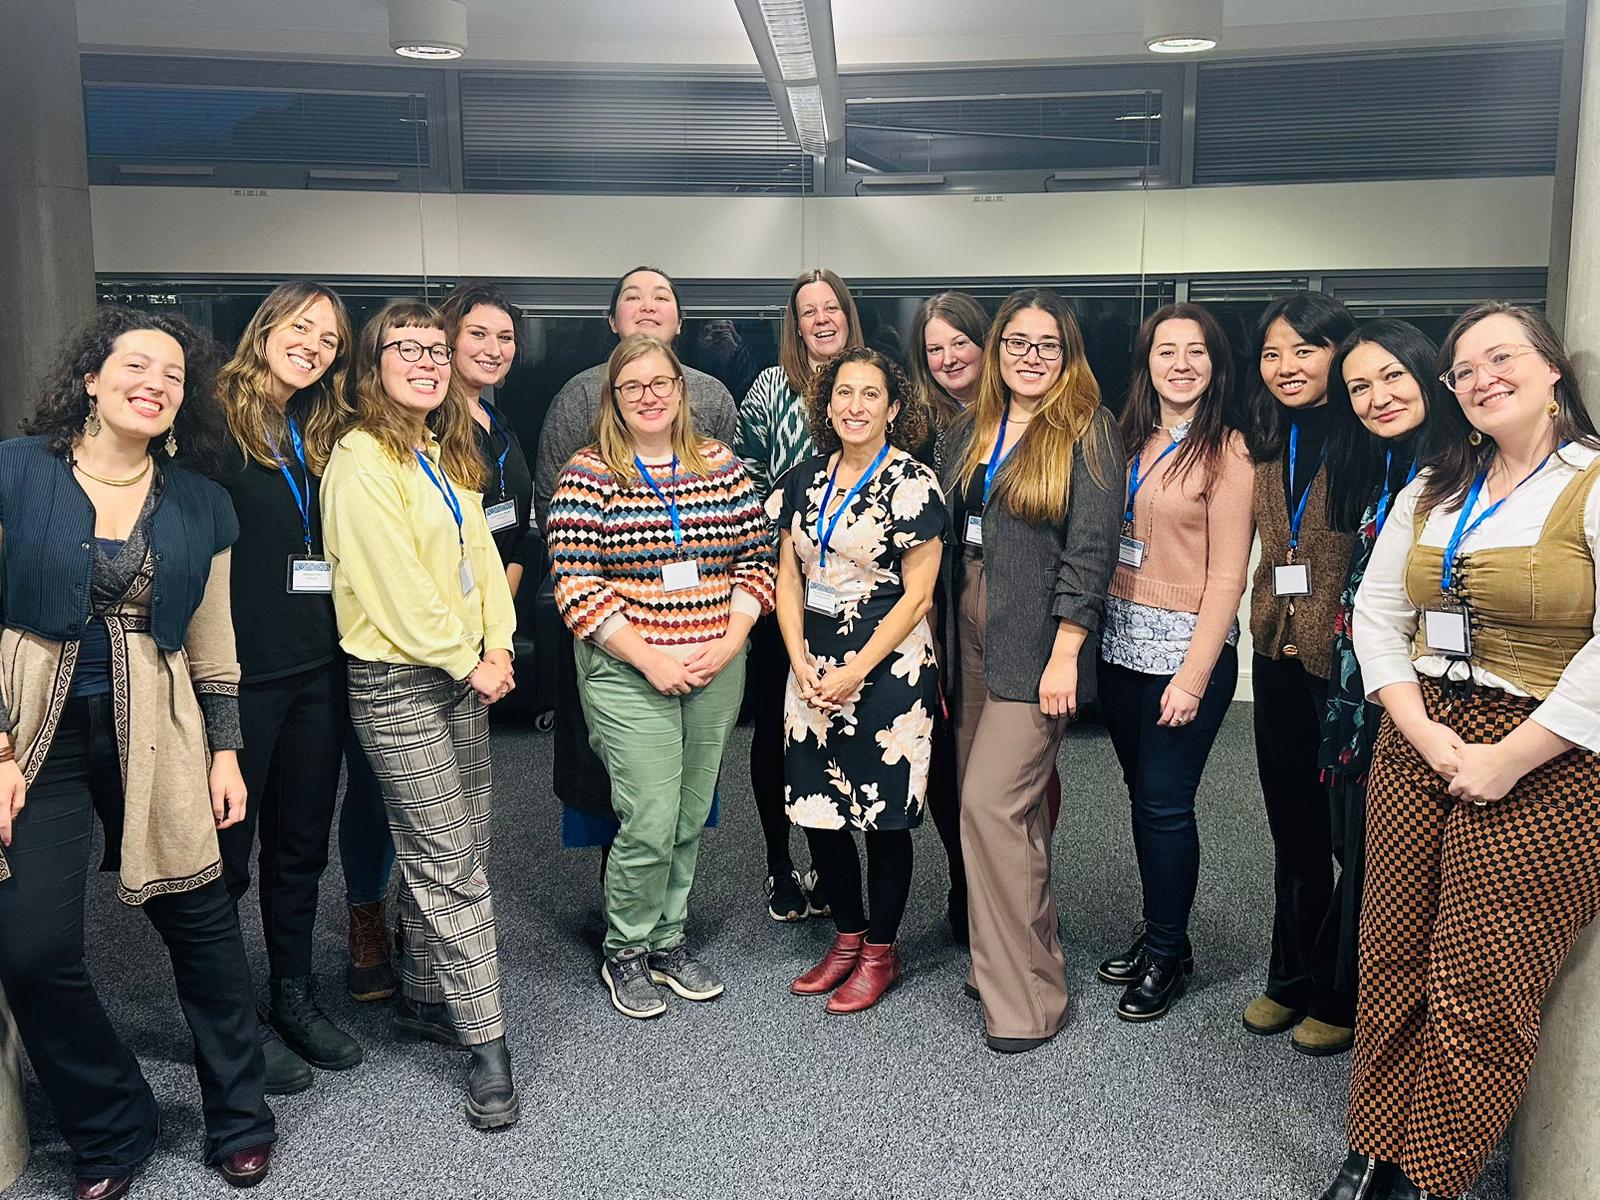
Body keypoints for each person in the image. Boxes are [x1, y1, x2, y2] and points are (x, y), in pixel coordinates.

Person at [1318, 303, 1600, 1200]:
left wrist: (1508, 756)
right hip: (1422, 732)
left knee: (1478, 979)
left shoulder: (1591, 483)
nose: (1481, 379)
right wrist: (1418, 725)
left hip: (1547, 756)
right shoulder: (1438, 483)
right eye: (1464, 369)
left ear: (1552, 368)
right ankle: (1371, 1151)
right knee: (1392, 950)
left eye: (1501, 358)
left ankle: (1428, 1177)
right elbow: (1376, 615)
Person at [0, 307, 275, 1196]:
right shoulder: (13, 472)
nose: (156, 384)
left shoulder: (202, 502)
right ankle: (113, 1121)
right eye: (137, 366)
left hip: (160, 728)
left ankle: (240, 1115)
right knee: (31, 950)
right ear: (90, 376)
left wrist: (225, 752)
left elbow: (214, 642)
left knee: (203, 927)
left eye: (174, 377)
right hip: (31, 736)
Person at [320, 298, 519, 1130]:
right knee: (448, 862)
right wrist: (466, 655)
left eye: (438, 349)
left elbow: (481, 555)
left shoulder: (437, 450)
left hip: (463, 672)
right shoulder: (360, 459)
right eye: (409, 348)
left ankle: (429, 993)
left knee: (464, 840)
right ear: (374, 365)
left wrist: (500, 645)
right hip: (401, 681)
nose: (430, 361)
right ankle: (489, 1047)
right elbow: (394, 588)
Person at [546, 334, 775, 1019]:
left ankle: (668, 940)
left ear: (682, 390)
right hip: (629, 666)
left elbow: (757, 561)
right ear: (613, 397)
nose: (649, 397)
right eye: (632, 386)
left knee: (686, 813)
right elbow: (575, 585)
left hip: (715, 662)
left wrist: (731, 639)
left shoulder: (721, 465)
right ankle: (626, 947)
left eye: (661, 384)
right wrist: (650, 657)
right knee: (646, 816)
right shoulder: (588, 473)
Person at [937, 288, 1122, 1053]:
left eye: (1047, 344)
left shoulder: (1089, 430)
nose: (1031, 356)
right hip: (966, 631)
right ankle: (1010, 959)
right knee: (1007, 821)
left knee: (990, 806)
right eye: (1017, 341)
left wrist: (1068, 653)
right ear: (998, 349)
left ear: (1068, 353)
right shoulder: (965, 429)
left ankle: (1028, 1006)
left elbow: (1091, 554)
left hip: (1036, 640)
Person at [210, 282, 364, 1097]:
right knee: (227, 859)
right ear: (266, 327)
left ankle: (292, 998)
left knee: (301, 848)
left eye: (330, 339)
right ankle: (230, 1019)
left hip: (319, 667)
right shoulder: (209, 425)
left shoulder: (322, 428)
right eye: (302, 327)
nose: (314, 345)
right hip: (237, 673)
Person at [534, 266, 740, 859]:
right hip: (614, 628)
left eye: (662, 297)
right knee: (616, 779)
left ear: (678, 321)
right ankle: (622, 904)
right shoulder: (579, 393)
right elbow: (556, 505)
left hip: (700, 629)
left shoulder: (712, 397)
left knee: (685, 787)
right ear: (611, 319)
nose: (647, 306)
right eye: (632, 296)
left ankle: (665, 918)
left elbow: (730, 512)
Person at [1093, 303, 1254, 1022]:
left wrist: (1191, 678)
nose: (1181, 363)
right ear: (1147, 362)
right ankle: (1162, 927)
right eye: (1167, 350)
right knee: (1142, 796)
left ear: (1216, 365)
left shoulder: (1229, 451)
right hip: (1119, 645)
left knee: (1165, 803)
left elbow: (1227, 578)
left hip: (1185, 656)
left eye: (1196, 351)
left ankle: (1167, 953)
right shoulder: (1127, 438)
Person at [776, 348, 946, 1013]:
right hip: (811, 667)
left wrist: (854, 668)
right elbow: (788, 574)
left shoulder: (913, 483)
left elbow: (918, 597)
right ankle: (846, 937)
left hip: (888, 668)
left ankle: (881, 950)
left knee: (882, 815)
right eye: (843, 393)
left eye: (870, 395)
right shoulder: (804, 478)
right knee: (818, 809)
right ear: (828, 405)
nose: (854, 405)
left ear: (893, 408)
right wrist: (798, 659)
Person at [1313, 319, 1440, 1059]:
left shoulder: (1460, 465)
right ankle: (1356, 994)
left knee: (1384, 859)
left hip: (1419, 692)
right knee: (1349, 840)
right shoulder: (1381, 462)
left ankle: (1367, 1008)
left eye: (1392, 376)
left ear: (1428, 371)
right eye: (1360, 386)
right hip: (1358, 684)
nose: (1377, 396)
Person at [1241, 291, 1361, 1056]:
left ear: (1338, 353)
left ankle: (1339, 988)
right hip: (1275, 656)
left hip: (1346, 670)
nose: (1287, 367)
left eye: (1304, 350)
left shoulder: (1376, 440)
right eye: (1273, 353)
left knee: (1355, 838)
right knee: (1292, 827)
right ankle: (1289, 976)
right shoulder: (1264, 437)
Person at [738, 268, 865, 922]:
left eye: (831, 307)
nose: (821, 318)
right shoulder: (769, 388)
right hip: (784, 586)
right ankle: (779, 863)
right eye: (808, 310)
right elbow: (749, 481)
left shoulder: (872, 379)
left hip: (854, 594)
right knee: (776, 728)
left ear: (847, 313)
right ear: (796, 323)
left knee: (840, 722)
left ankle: (830, 860)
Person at [906, 291, 990, 945]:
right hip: (933, 618)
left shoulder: (1016, 421)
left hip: (995, 623)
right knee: (940, 765)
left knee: (1003, 770)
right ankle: (964, 884)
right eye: (934, 348)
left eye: (958, 341)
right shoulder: (926, 431)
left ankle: (1006, 895)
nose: (947, 358)